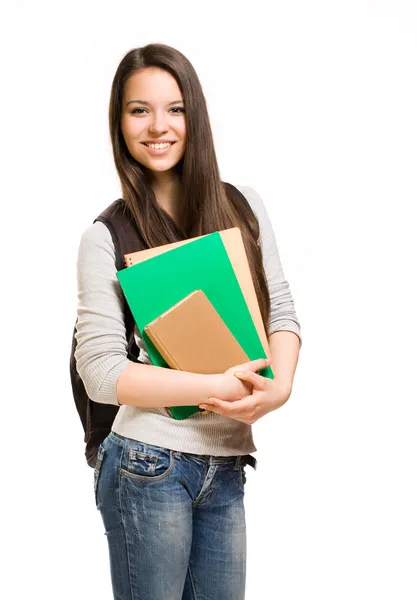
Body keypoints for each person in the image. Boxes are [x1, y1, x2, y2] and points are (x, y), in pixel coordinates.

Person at [74, 42, 302, 600]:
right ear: (119, 122)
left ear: (193, 115)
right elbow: (100, 371)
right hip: (147, 461)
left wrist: (280, 390)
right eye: (138, 110)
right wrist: (218, 388)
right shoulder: (106, 236)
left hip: (226, 462)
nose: (158, 126)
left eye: (174, 108)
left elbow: (285, 313)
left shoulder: (242, 208)